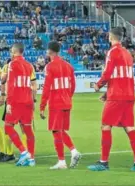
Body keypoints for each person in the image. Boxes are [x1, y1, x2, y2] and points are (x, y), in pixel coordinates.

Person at [88, 27, 135, 172]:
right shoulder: (127, 53)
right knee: (129, 127)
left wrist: (98, 85)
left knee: (106, 126)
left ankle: (104, 162)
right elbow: (120, 77)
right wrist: (107, 93)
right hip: (129, 95)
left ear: (110, 37)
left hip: (117, 96)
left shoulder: (112, 52)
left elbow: (107, 73)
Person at [39, 41, 82, 169]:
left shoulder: (50, 67)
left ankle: (63, 160)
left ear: (49, 51)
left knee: (56, 130)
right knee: (60, 130)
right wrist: (68, 98)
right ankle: (72, 153)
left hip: (56, 103)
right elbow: (73, 86)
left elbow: (46, 88)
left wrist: (42, 106)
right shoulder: (68, 66)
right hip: (66, 102)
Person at [3, 43, 36, 167]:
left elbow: (11, 84)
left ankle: (23, 152)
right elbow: (33, 85)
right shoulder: (29, 65)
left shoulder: (12, 64)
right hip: (28, 100)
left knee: (8, 127)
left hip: (16, 100)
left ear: (13, 51)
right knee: (28, 129)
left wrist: (9, 102)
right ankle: (31, 159)